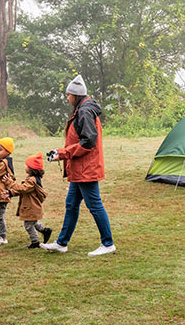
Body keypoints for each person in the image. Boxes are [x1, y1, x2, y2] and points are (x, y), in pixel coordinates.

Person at [40, 75, 116, 256]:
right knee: (71, 204)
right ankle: (61, 243)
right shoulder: (82, 109)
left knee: (94, 205)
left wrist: (63, 153)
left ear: (76, 95)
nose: (67, 98)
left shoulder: (84, 112)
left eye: (68, 95)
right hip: (80, 168)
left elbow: (89, 141)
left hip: (86, 169)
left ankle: (108, 243)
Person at [1, 152, 52, 249]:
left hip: (32, 207)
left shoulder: (32, 180)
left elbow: (22, 188)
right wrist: (10, 192)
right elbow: (23, 191)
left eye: (27, 165)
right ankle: (45, 230)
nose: (25, 167)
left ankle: (35, 242)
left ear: (32, 168)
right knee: (32, 222)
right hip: (31, 207)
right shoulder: (31, 179)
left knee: (28, 225)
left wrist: (10, 182)